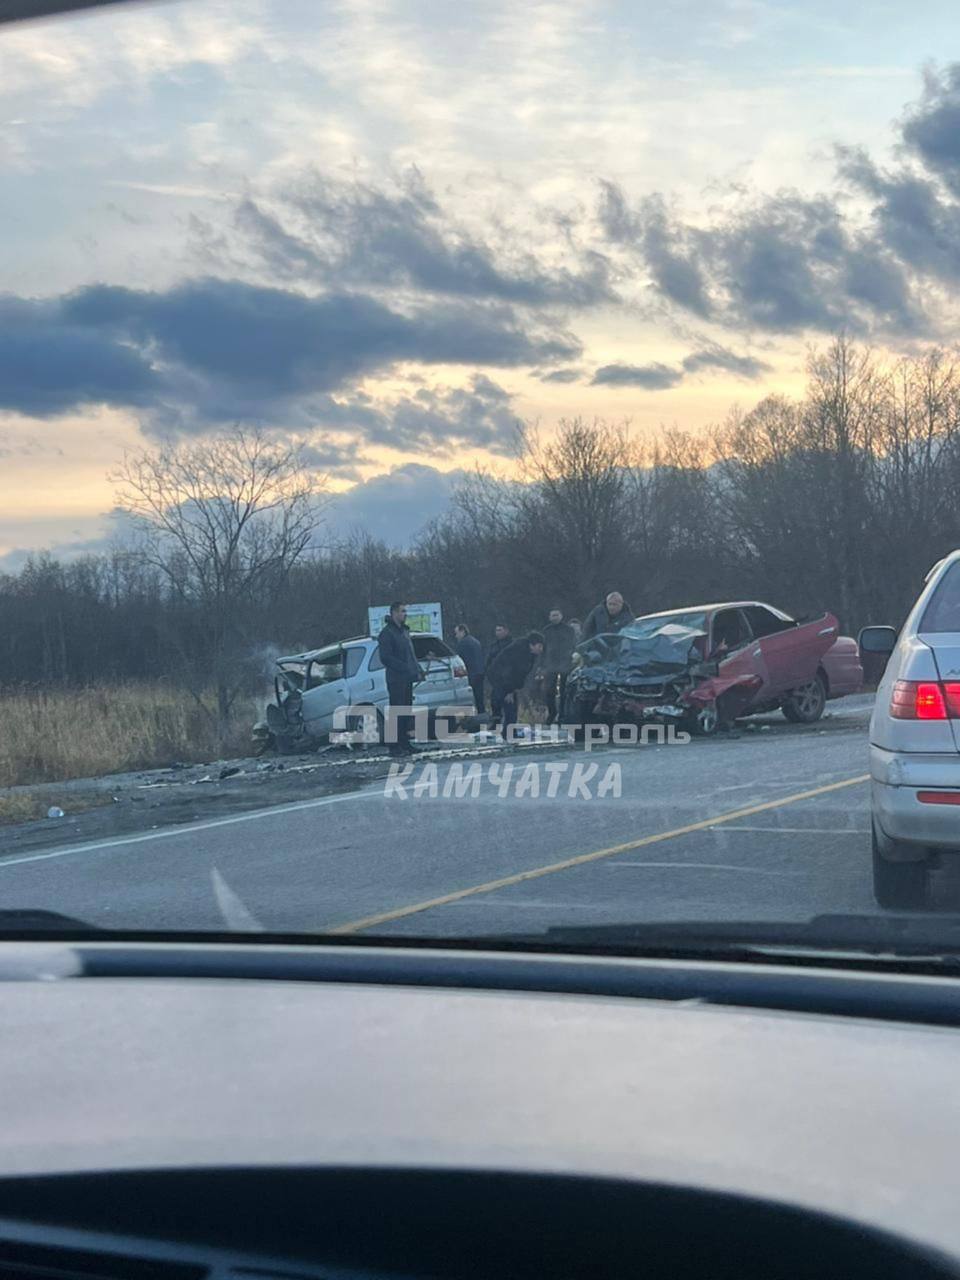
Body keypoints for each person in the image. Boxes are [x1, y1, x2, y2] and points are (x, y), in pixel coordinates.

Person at [377, 601, 423, 756]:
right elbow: (385, 657)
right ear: (394, 613)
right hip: (396, 678)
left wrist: (417, 669)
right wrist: (403, 667)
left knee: (405, 711)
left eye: (405, 611)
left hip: (407, 677)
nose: (405, 614)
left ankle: (404, 742)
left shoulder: (404, 632)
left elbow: (410, 654)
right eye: (402, 611)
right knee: (396, 711)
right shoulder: (387, 633)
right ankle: (393, 746)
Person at [487, 631, 545, 741]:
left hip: (503, 679)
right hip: (501, 679)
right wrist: (510, 691)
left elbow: (521, 675)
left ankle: (509, 731)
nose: (541, 649)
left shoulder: (527, 652)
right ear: (532, 644)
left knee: (512, 706)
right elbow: (512, 672)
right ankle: (508, 734)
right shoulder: (520, 653)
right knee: (510, 707)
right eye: (539, 646)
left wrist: (514, 689)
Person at [541, 608, 576, 725]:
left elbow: (574, 645)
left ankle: (562, 715)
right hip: (550, 664)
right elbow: (543, 649)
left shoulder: (569, 630)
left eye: (557, 615)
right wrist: (542, 665)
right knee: (548, 691)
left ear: (561, 616)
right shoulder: (546, 630)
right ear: (549, 617)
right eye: (553, 615)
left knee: (564, 691)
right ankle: (552, 713)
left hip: (566, 664)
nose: (555, 617)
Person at [453, 623, 485, 713]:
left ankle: (473, 719)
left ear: (462, 631)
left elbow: (458, 660)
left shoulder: (462, 644)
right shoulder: (476, 641)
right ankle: (482, 715)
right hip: (480, 673)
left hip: (470, 674)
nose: (456, 636)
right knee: (479, 698)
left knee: (469, 699)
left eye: (457, 633)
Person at [486, 623, 512, 719]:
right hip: (496, 679)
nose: (498, 633)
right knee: (495, 701)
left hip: (508, 678)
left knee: (509, 703)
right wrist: (489, 672)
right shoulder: (494, 645)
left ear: (506, 631)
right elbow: (489, 660)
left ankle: (509, 723)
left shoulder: (512, 644)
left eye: (500, 630)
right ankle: (496, 721)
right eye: (496, 630)